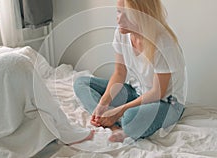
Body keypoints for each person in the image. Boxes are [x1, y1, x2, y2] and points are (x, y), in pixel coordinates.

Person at [74, 0, 186, 142]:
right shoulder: (121, 34)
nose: (119, 19)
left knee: (130, 118)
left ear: (142, 16)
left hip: (166, 103)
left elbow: (158, 93)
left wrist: (120, 110)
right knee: (81, 82)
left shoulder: (163, 43)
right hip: (136, 93)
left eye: (127, 14)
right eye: (119, 11)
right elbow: (119, 73)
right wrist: (103, 103)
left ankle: (119, 122)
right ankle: (111, 122)